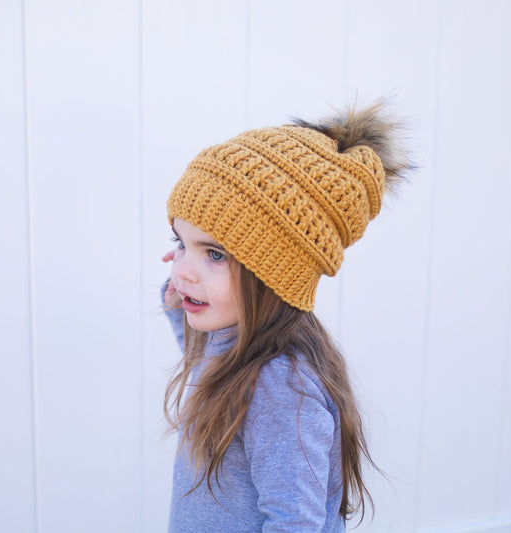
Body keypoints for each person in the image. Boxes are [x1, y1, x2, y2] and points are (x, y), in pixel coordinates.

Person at [161, 102, 411, 532]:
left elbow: (294, 522)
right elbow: (205, 361)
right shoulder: (234, 347)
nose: (183, 268)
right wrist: (176, 304)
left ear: (274, 273)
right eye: (180, 243)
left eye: (214, 254)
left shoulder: (281, 390)